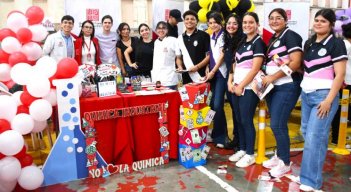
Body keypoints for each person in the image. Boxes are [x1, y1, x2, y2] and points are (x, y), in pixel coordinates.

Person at [299, 9, 347, 191]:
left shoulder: (336, 44)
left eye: (323, 21)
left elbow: (340, 74)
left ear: (331, 25)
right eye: (316, 20)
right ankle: (306, 176)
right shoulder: (309, 43)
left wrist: (328, 100)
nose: (318, 23)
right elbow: (307, 70)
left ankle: (312, 182)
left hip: (323, 96)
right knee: (308, 135)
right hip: (306, 94)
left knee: (314, 138)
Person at [260, 8, 303, 178]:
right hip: (274, 87)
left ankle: (285, 162)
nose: (274, 21)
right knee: (278, 124)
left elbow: (295, 62)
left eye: (279, 18)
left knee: (277, 124)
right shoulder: (274, 38)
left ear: (286, 20)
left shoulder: (290, 35)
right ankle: (279, 156)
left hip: (287, 85)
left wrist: (273, 76)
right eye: (271, 18)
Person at [227, 12, 266, 168]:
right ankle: (242, 149)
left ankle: (250, 153)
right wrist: (231, 82)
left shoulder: (258, 43)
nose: (247, 25)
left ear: (257, 24)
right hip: (236, 86)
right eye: (245, 22)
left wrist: (242, 85)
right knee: (238, 119)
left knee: (246, 120)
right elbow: (234, 64)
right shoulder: (242, 41)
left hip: (249, 88)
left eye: (251, 22)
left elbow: (255, 69)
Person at [204, 12, 228, 148]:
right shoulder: (212, 36)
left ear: (221, 22)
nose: (213, 25)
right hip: (212, 74)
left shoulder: (223, 35)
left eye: (215, 22)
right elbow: (211, 54)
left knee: (218, 104)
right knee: (213, 105)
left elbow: (222, 56)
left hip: (220, 74)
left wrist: (213, 71)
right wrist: (208, 67)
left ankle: (221, 137)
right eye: (210, 22)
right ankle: (217, 133)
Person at [225, 14, 244, 151]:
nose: (231, 26)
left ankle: (241, 143)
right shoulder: (227, 40)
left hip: (239, 80)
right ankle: (236, 138)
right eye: (229, 23)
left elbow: (236, 63)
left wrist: (233, 81)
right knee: (234, 112)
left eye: (235, 23)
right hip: (230, 79)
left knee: (240, 114)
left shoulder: (241, 41)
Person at [331, 22, 351, 144]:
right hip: (344, 81)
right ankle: (336, 137)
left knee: (344, 109)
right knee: (340, 110)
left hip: (347, 80)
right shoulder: (345, 45)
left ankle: (340, 135)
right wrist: (341, 80)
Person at [178, 10, 210, 84]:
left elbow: (209, 56)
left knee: (201, 95)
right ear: (184, 21)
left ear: (196, 22)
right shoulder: (180, 38)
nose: (189, 21)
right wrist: (180, 66)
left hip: (201, 75)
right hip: (186, 76)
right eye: (187, 19)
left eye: (192, 19)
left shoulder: (204, 35)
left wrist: (197, 67)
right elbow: (178, 57)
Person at [151, 21, 183, 90]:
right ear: (156, 30)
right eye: (159, 28)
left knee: (170, 99)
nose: (161, 30)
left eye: (163, 28)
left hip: (169, 78)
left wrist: (180, 66)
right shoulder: (156, 42)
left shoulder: (173, 40)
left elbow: (178, 56)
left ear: (167, 30)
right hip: (157, 78)